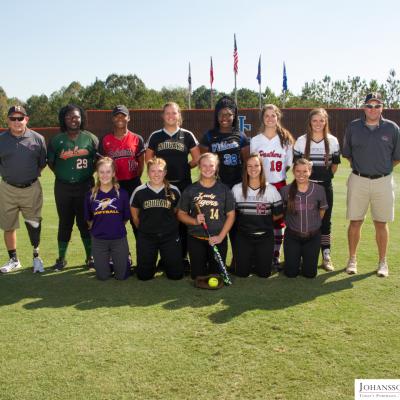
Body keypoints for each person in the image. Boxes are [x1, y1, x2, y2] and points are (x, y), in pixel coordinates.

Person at [342, 92, 400, 277]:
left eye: (377, 105)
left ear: (382, 107)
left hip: (383, 181)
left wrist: (381, 169)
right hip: (358, 179)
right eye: (369, 105)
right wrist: (364, 169)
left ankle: (382, 262)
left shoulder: (392, 128)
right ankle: (352, 259)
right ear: (363, 107)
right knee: (355, 221)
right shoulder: (353, 127)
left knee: (381, 223)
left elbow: (397, 157)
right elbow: (348, 154)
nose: (373, 109)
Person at [145, 102, 200, 270]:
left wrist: (185, 167)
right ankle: (165, 258)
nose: (170, 116)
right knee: (164, 221)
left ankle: (183, 257)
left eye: (174, 113)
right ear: (163, 116)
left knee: (183, 223)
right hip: (162, 186)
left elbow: (197, 158)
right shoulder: (156, 136)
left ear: (179, 116)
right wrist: (157, 174)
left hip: (183, 186)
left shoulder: (187, 135)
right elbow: (148, 160)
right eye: (167, 113)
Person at [47, 104, 99, 271]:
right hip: (63, 187)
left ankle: (90, 257)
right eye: (69, 117)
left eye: (76, 116)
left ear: (81, 118)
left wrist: (86, 175)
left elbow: (98, 161)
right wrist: (64, 176)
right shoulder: (56, 140)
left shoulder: (90, 138)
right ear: (64, 119)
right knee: (65, 222)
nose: (73, 120)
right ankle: (61, 258)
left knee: (85, 222)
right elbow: (51, 163)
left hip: (85, 186)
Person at [0, 105, 47, 273]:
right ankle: (14, 259)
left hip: (31, 188)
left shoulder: (38, 138)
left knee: (34, 223)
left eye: (20, 118)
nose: (17, 122)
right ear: (8, 120)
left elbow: (42, 164)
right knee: (8, 225)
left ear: (26, 119)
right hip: (7, 188)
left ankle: (36, 257)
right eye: (13, 118)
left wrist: (28, 177)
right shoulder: (1, 139)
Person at [293, 108, 341, 271]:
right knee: (302, 220)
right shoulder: (301, 140)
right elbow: (297, 166)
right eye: (315, 120)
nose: (318, 124)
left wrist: (323, 181)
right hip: (304, 187)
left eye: (321, 120)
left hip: (325, 187)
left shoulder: (333, 141)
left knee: (325, 221)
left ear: (326, 121)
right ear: (310, 122)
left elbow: (334, 166)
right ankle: (298, 255)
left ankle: (326, 255)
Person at [177, 153, 235, 279]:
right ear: (199, 167)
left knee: (216, 276)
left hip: (217, 239)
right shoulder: (190, 190)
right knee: (198, 277)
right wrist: (194, 221)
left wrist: (220, 236)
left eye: (211, 165)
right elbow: (181, 214)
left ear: (216, 168)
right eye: (204, 165)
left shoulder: (224, 190)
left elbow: (231, 215)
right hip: (196, 238)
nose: (208, 169)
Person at [250, 104, 294, 268]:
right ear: (262, 118)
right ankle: (258, 256)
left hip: (279, 185)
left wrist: (277, 178)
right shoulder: (255, 140)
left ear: (278, 117)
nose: (270, 119)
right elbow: (252, 165)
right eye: (266, 116)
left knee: (278, 222)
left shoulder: (286, 139)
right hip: (260, 186)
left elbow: (289, 164)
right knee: (260, 221)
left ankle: (275, 256)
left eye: (273, 115)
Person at [130, 157, 183, 281]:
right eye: (153, 171)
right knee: (144, 276)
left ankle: (168, 263)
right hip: (147, 237)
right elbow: (135, 216)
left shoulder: (174, 190)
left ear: (165, 173)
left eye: (160, 171)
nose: (156, 174)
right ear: (148, 173)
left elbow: (177, 213)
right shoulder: (139, 191)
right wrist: (145, 229)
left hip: (169, 236)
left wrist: (169, 227)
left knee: (176, 276)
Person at [231, 153, 283, 278]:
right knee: (242, 274)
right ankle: (248, 260)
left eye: (256, 165)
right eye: (249, 166)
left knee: (264, 274)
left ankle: (258, 261)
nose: (253, 169)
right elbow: (232, 214)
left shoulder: (271, 189)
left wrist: (264, 220)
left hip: (265, 237)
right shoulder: (237, 189)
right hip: (243, 236)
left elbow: (279, 213)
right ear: (245, 169)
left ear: (261, 167)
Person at [280, 158, 328, 278]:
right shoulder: (285, 190)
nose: (301, 174)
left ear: (310, 172)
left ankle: (304, 259)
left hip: (313, 237)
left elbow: (322, 211)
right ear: (293, 172)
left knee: (310, 274)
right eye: (298, 171)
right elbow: (283, 212)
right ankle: (294, 259)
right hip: (292, 236)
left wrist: (313, 225)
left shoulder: (319, 190)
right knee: (290, 273)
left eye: (305, 171)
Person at [84, 157, 130, 280]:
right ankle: (106, 261)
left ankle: (124, 258)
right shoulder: (91, 195)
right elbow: (89, 219)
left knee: (122, 276)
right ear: (97, 174)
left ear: (113, 173)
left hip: (118, 239)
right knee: (103, 277)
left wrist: (114, 227)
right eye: (101, 172)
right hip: (99, 240)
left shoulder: (123, 194)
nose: (105, 175)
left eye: (108, 172)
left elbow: (125, 218)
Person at [98, 105, 145, 221]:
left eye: (123, 116)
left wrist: (135, 178)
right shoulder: (105, 139)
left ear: (128, 118)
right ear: (112, 119)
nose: (120, 118)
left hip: (133, 183)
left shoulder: (137, 138)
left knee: (137, 219)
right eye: (117, 116)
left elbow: (141, 164)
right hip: (114, 184)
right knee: (115, 219)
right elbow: (100, 164)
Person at [200, 95, 250, 189]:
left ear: (234, 115)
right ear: (216, 115)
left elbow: (247, 163)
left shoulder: (241, 136)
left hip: (237, 185)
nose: (224, 117)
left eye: (228, 114)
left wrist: (244, 183)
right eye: (221, 114)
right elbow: (203, 163)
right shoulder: (208, 136)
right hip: (215, 185)